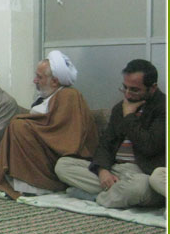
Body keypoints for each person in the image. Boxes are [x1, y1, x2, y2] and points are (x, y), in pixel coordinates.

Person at [0, 50, 98, 199]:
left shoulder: (69, 95)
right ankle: (24, 181)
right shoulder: (45, 97)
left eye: (39, 77)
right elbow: (43, 123)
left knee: (19, 126)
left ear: (54, 81)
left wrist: (25, 124)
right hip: (35, 155)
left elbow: (61, 134)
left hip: (55, 158)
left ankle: (36, 185)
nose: (34, 81)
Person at [55, 59, 166, 208]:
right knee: (63, 165)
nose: (127, 94)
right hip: (116, 170)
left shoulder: (163, 108)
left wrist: (129, 116)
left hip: (143, 173)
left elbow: (149, 146)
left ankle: (98, 198)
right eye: (125, 88)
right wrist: (103, 170)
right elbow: (106, 143)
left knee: (139, 187)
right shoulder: (120, 108)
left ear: (152, 88)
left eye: (134, 90)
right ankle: (115, 194)